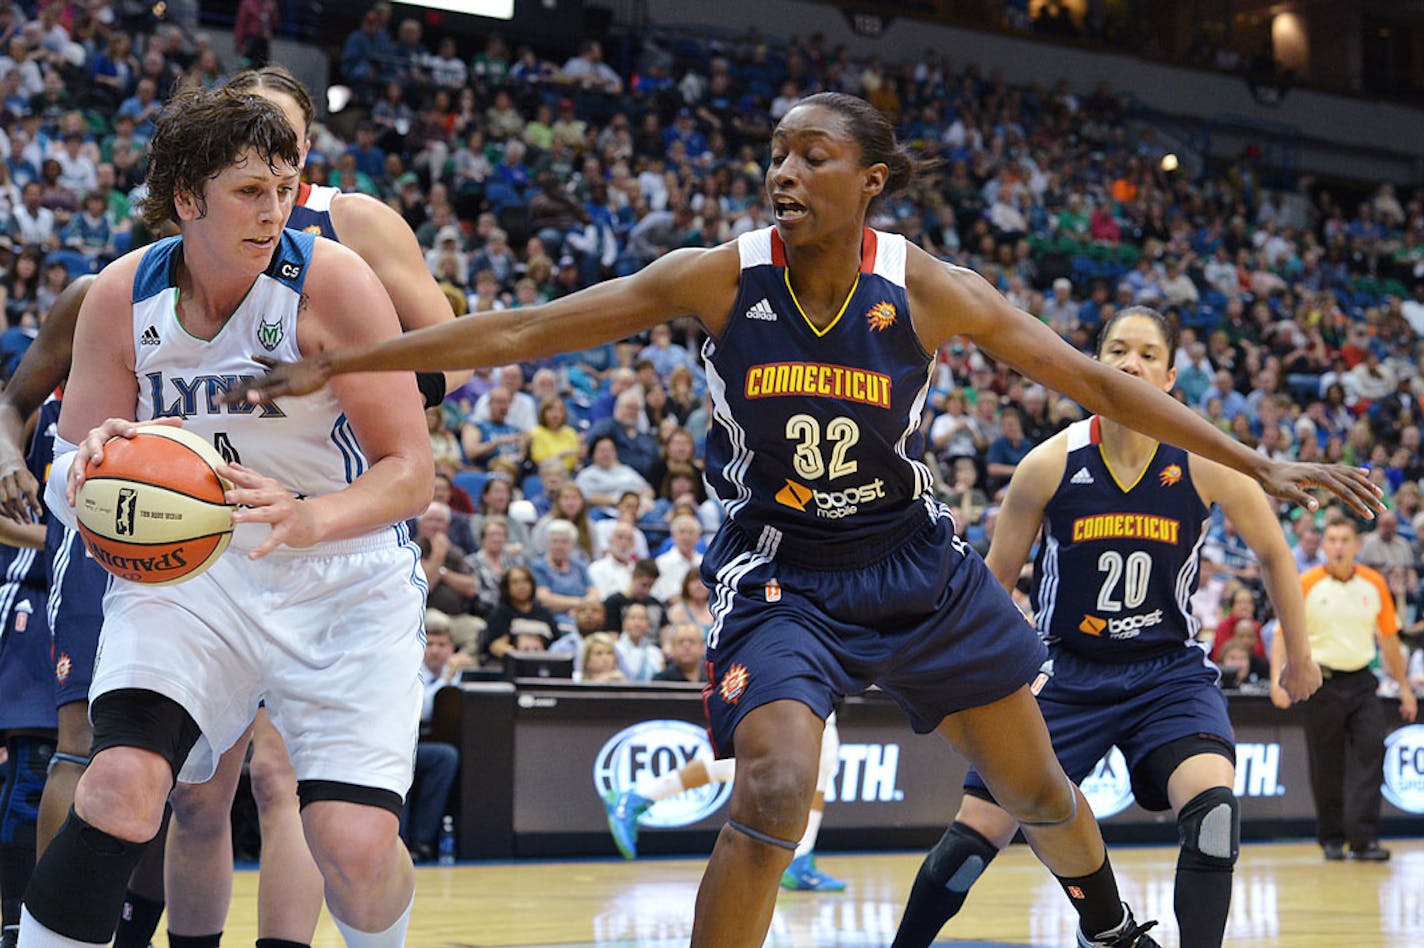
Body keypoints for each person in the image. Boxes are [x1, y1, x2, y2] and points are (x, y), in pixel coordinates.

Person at [228, 92, 1381, 948]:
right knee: (776, 787)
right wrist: (346, 361)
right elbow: (522, 330)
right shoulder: (715, 277)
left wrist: (1256, 458)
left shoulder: (922, 288)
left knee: (1035, 795)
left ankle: (1105, 924)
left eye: (810, 156)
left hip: (917, 567)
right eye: (774, 153)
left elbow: (1096, 384)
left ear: (867, 180)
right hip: (781, 573)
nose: (782, 171)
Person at [18, 87, 432, 948]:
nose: (275, 209)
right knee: (119, 785)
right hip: (191, 575)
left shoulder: (333, 280)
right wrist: (95, 464)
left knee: (350, 844)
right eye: (250, 190)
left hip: (340, 572)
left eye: (286, 186)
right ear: (186, 198)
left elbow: (410, 473)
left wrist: (309, 516)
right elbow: (65, 470)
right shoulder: (123, 294)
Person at [893, 306, 1325, 948]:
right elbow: (994, 582)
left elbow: (1273, 554)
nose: (1132, 363)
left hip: (1168, 673)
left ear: (1172, 376)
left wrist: (1299, 653)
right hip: (1065, 671)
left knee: (1213, 816)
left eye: (1149, 354)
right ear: (1094, 365)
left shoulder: (1206, 463)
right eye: (1118, 350)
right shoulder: (1048, 464)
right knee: (975, 833)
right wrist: (970, 676)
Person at [1280, 518, 1417, 862]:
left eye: (1344, 540)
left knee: (1371, 751)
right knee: (1326, 763)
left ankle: (1363, 839)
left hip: (1362, 681)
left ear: (1357, 545)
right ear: (1323, 545)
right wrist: (1279, 681)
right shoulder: (1307, 583)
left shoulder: (1374, 584)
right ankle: (1331, 838)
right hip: (1320, 683)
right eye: (1332, 540)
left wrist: (1404, 688)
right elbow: (1284, 634)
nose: (1338, 546)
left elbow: (1388, 639)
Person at [605, 713, 847, 893]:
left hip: (816, 667)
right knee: (761, 762)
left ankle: (800, 859)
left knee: (821, 763)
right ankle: (640, 796)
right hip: (782, 664)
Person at [0, 398, 53, 948]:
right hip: (35, 596)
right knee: (34, 771)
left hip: (119, 590)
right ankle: (16, 923)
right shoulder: (31, 407)